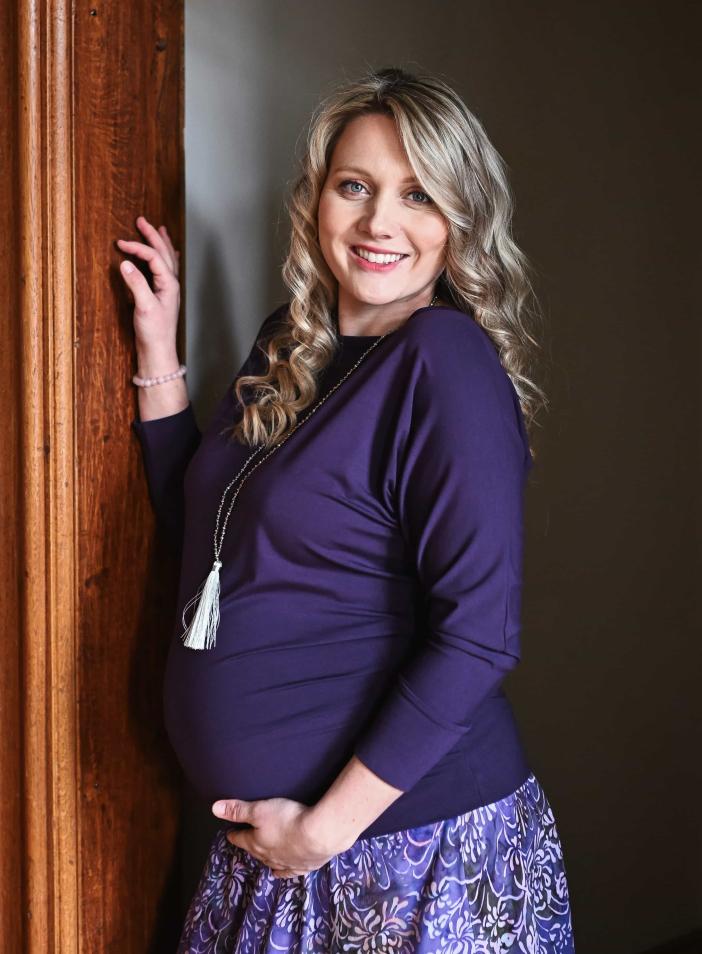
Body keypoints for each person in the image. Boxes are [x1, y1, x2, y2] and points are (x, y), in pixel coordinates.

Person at [117, 67, 574, 953]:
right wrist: (156, 351)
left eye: (418, 195)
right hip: (276, 857)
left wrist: (323, 830)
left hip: (409, 853)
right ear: (318, 196)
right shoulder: (291, 343)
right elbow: (204, 539)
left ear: (460, 221)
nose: (378, 223)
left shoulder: (444, 361)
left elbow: (478, 635)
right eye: (355, 186)